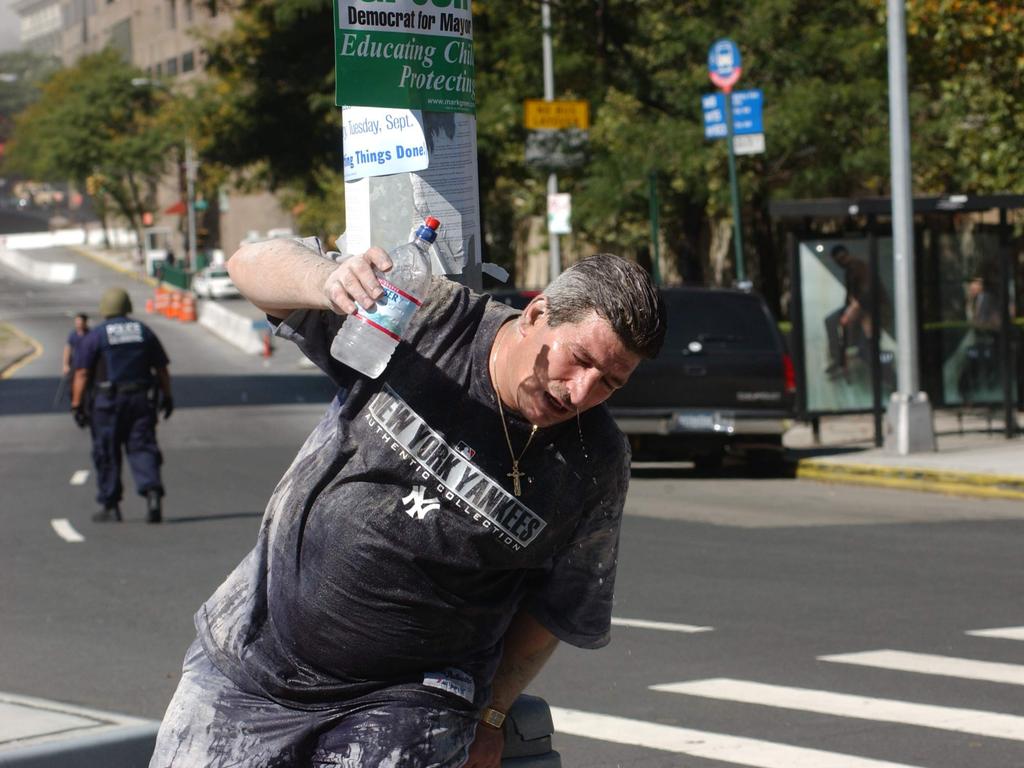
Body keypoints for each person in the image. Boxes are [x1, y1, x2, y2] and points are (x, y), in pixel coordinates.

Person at [149, 237, 666, 768]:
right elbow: (247, 264)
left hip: (411, 700)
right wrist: (328, 281)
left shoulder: (595, 460)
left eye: (609, 383)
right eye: (578, 360)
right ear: (537, 315)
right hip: (252, 660)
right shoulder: (429, 319)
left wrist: (492, 716)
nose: (579, 393)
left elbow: (557, 605)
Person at [70, 287, 174, 523]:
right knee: (143, 447)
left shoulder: (96, 336)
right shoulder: (143, 331)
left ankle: (110, 504)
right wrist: (167, 397)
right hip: (140, 401)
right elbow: (161, 369)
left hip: (107, 404)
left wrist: (76, 404)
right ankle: (152, 493)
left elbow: (83, 373)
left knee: (106, 451)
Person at [823, 245, 874, 377]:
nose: (840, 262)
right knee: (831, 321)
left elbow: (863, 295)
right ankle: (838, 358)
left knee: (834, 322)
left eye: (841, 258)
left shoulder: (857, 267)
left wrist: (850, 312)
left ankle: (839, 359)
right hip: (854, 306)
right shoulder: (850, 268)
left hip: (863, 308)